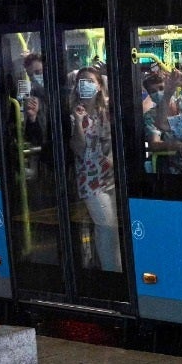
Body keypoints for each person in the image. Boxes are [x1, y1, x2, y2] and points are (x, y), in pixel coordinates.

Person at [68, 67, 121, 271]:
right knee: (106, 226)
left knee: (112, 227)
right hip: (91, 179)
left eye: (89, 80)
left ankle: (113, 268)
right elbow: (79, 148)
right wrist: (79, 123)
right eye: (81, 81)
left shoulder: (107, 110)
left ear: (99, 86)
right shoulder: (74, 113)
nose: (85, 84)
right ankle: (112, 271)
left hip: (113, 176)